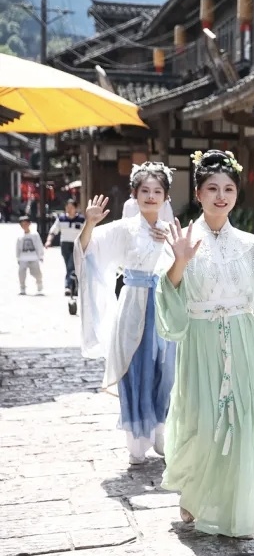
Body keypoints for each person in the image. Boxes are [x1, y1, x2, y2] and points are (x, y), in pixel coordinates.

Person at [155, 149, 254, 539]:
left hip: (242, 339)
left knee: (241, 424)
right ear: (198, 193)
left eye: (228, 189)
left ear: (236, 194)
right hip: (200, 339)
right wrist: (180, 261)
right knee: (201, 419)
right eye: (212, 188)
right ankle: (194, 492)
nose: (221, 196)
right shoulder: (182, 239)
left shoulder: (250, 244)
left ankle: (232, 509)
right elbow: (168, 292)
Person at [75, 163, 177, 464]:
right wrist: (89, 223)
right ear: (134, 194)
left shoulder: (172, 231)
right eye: (145, 190)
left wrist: (172, 245)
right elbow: (88, 251)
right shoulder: (124, 228)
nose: (151, 196)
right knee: (134, 369)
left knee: (166, 370)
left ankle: (160, 430)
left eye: (157, 191)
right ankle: (136, 439)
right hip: (133, 304)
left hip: (166, 305)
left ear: (166, 197)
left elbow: (186, 266)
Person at [46, 199, 86, 296]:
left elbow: (86, 232)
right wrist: (49, 241)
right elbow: (53, 231)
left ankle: (68, 286)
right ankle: (74, 287)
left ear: (76, 208)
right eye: (67, 207)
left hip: (76, 245)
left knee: (71, 266)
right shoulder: (61, 218)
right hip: (65, 245)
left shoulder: (81, 220)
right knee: (69, 266)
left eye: (71, 207)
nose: (69, 209)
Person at [15, 214, 45, 295]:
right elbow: (17, 247)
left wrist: (40, 255)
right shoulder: (20, 236)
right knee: (21, 273)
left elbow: (39, 245)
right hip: (23, 257)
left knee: (36, 273)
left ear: (29, 224)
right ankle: (22, 288)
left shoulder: (34, 235)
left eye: (26, 224)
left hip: (33, 257)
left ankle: (39, 285)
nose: (24, 226)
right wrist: (18, 257)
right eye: (22, 224)